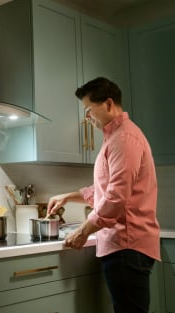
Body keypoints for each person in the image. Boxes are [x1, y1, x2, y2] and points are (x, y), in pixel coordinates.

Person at [46, 77, 160, 313]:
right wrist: (68, 196)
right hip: (124, 248)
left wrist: (83, 230)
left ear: (108, 104)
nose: (87, 118)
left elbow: (116, 198)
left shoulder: (124, 139)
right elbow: (106, 190)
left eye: (89, 110)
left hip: (126, 246)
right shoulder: (117, 138)